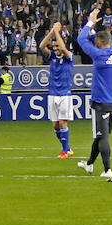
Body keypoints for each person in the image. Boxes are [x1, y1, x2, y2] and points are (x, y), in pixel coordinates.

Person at [76, 7, 112, 179]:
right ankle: (89, 164)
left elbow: (81, 38)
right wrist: (95, 30)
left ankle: (108, 170)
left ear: (98, 44)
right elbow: (100, 40)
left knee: (102, 137)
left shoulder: (98, 55)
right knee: (101, 134)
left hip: (100, 103)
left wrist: (90, 22)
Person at [39, 21, 74, 159]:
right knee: (55, 126)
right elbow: (42, 46)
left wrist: (57, 32)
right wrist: (52, 33)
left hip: (64, 94)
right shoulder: (52, 57)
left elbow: (64, 48)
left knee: (62, 122)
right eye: (53, 46)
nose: (55, 48)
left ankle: (65, 151)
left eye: (56, 45)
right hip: (52, 94)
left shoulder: (68, 57)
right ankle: (67, 148)